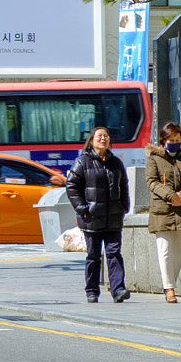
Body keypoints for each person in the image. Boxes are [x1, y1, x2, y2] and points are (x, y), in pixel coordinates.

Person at [67, 124, 131, 302]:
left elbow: (123, 185)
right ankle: (92, 291)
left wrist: (124, 206)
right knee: (94, 256)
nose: (103, 139)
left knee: (114, 253)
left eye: (106, 136)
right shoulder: (82, 161)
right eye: (99, 136)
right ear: (92, 140)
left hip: (113, 218)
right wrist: (82, 208)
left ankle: (118, 289)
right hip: (92, 218)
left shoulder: (116, 162)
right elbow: (71, 186)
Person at [146, 122, 181, 303]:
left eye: (177, 139)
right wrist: (170, 196)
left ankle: (171, 284)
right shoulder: (154, 158)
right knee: (165, 251)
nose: (174, 142)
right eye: (171, 139)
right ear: (163, 140)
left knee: (180, 250)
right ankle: (169, 288)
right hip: (162, 210)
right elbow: (152, 181)